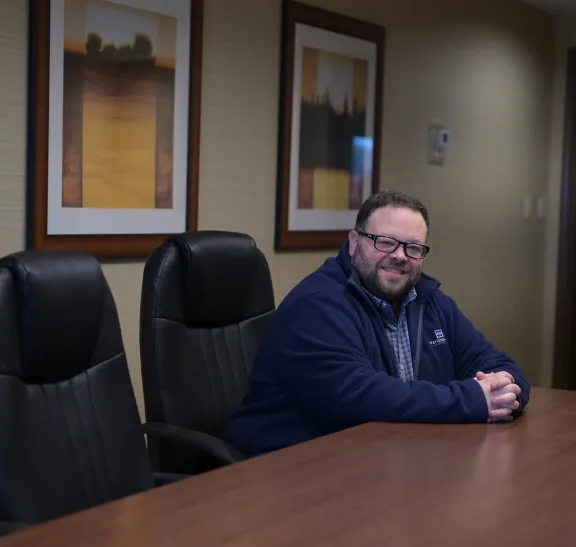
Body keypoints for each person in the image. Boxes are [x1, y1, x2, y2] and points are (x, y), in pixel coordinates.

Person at [224, 191, 530, 456]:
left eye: (413, 248)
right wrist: (474, 400)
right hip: (293, 470)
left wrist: (507, 391)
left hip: (388, 460)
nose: (399, 256)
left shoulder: (431, 301)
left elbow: (496, 362)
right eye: (385, 243)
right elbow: (363, 397)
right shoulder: (317, 305)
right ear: (354, 241)